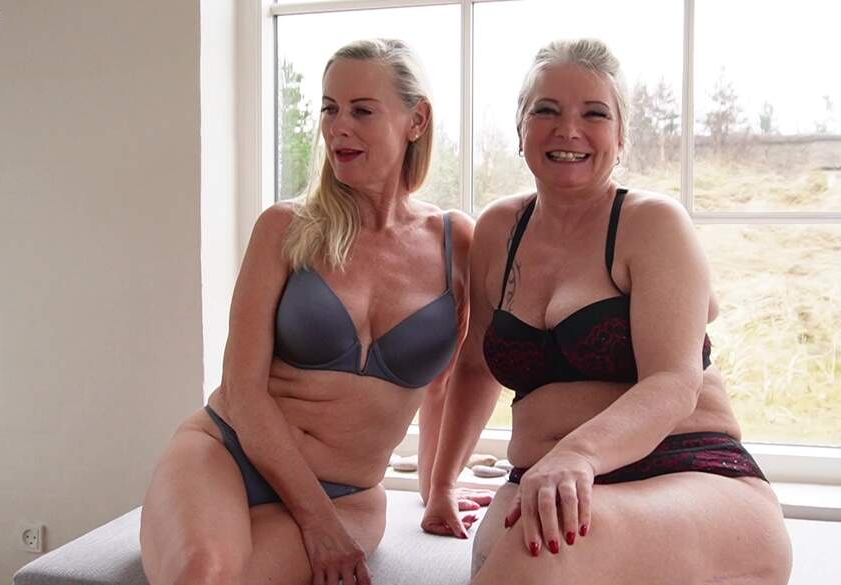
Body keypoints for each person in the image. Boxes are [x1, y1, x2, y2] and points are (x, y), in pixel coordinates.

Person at [422, 38, 792, 585]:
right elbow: (476, 366)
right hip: (545, 480)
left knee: (538, 550)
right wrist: (442, 485)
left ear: (621, 137)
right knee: (513, 548)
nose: (567, 130)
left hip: (688, 474)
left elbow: (674, 381)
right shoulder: (500, 229)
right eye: (546, 110)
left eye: (594, 114)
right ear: (520, 127)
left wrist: (577, 454)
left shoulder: (653, 223)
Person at [140, 38, 485, 585]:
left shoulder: (457, 242)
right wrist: (316, 523)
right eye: (329, 109)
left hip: (347, 494)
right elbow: (243, 389)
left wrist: (439, 487)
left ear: (416, 120)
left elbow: (453, 381)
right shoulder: (285, 228)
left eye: (362, 111)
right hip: (225, 455)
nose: (337, 127)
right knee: (202, 574)